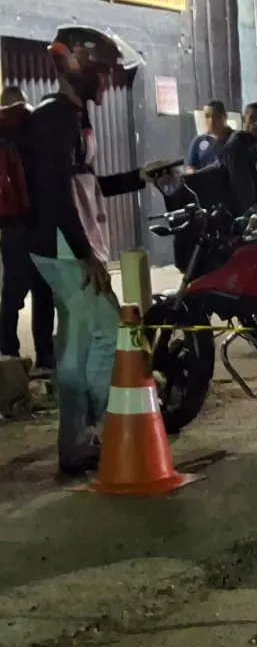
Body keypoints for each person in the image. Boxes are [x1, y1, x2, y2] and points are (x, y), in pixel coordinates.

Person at [24, 26, 166, 476]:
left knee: (77, 344)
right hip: (65, 247)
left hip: (69, 244)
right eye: (102, 73)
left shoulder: (70, 116)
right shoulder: (54, 119)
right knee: (109, 333)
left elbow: (85, 184)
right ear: (76, 66)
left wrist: (139, 177)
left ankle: (76, 446)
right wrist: (85, 253)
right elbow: (53, 193)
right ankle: (121, 427)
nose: (106, 82)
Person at [0, 86, 52, 374]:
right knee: (43, 289)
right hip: (39, 218)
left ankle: (8, 353)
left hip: (11, 223)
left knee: (12, 291)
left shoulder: (5, 130)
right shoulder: (34, 124)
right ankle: (45, 357)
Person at [218, 103, 257, 217]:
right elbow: (241, 187)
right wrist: (251, 215)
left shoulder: (253, 145)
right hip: (247, 219)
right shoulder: (237, 145)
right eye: (252, 119)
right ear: (244, 119)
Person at [185, 100, 232, 171]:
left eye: (215, 116)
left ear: (225, 117)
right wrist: (192, 173)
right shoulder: (198, 140)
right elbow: (190, 165)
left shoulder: (234, 138)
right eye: (207, 116)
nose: (211, 121)